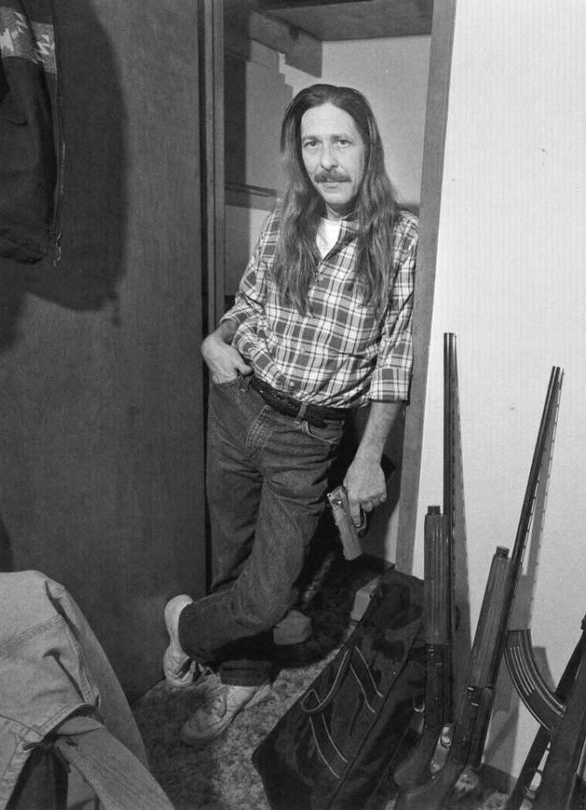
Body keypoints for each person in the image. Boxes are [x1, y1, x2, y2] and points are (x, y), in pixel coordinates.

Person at [162, 83, 418, 746]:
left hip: (307, 437)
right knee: (232, 550)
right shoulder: (285, 222)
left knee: (271, 591)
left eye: (341, 141)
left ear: (368, 149)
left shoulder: (403, 242)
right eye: (312, 143)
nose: (326, 159)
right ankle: (241, 676)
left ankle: (186, 626)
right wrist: (214, 341)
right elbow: (246, 305)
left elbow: (393, 363)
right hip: (237, 405)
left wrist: (367, 459)